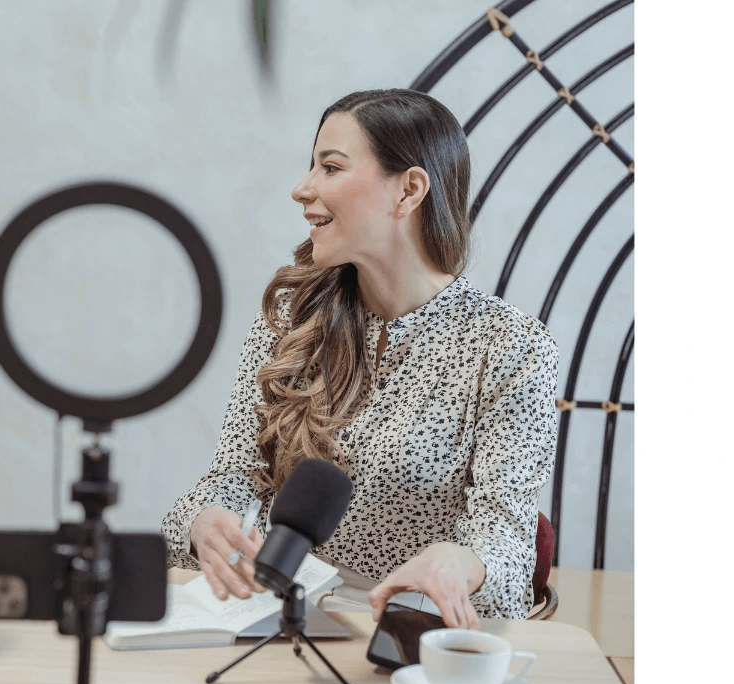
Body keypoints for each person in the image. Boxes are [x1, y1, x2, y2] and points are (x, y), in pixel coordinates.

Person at [161, 89, 559, 627]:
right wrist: (204, 521)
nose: (302, 189)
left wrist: (464, 563)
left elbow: (507, 540)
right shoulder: (291, 316)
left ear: (409, 190)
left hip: (408, 635)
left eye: (330, 167)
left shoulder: (512, 347)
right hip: (277, 622)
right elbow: (234, 476)